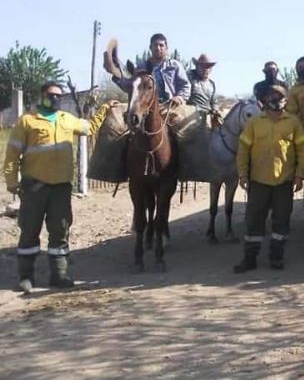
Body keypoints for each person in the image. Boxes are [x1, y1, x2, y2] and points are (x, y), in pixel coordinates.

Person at [3, 82, 116, 293]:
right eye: (51, 95)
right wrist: (11, 182)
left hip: (61, 188)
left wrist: (105, 109)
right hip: (34, 187)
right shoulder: (27, 121)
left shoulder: (66, 119)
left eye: (59, 96)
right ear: (42, 95)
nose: (55, 99)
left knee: (60, 231)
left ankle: (59, 274)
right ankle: (26, 277)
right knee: (29, 231)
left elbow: (89, 127)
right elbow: (12, 155)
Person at [233, 84, 304, 272]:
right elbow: (243, 150)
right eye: (272, 96)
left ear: (286, 100)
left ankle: (276, 257)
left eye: (280, 96)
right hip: (258, 181)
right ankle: (250, 259)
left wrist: (299, 175)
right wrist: (242, 174)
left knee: (281, 220)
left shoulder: (294, 123)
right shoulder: (254, 123)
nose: (276, 99)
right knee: (254, 220)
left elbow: (302, 151)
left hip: (284, 182)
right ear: (265, 100)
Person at [112, 33, 190, 105]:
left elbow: (185, 85)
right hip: (146, 107)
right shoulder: (141, 68)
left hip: (170, 106)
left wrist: (180, 98)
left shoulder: (175, 65)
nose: (158, 48)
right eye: (155, 45)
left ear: (166, 48)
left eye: (161, 45)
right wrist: (118, 76)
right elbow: (131, 86)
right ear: (150, 47)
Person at [187, 53, 222, 127]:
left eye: (208, 67)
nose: (206, 69)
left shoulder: (212, 84)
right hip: (189, 116)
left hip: (207, 118)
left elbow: (214, 102)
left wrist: (215, 111)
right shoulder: (189, 77)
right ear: (197, 66)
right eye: (203, 66)